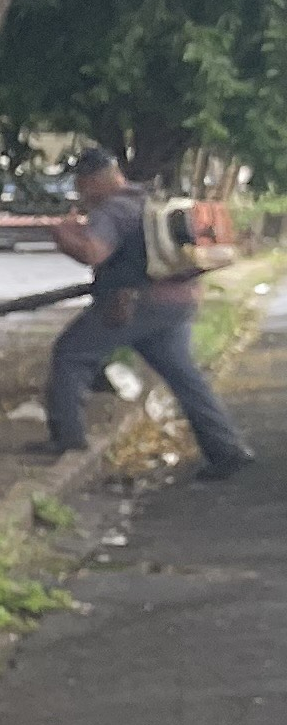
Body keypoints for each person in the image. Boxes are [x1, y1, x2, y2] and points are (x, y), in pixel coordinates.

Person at [45, 143, 251, 482]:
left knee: (70, 353)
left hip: (133, 303)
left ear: (95, 180)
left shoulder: (111, 210)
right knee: (185, 377)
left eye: (81, 182)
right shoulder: (148, 199)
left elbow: (93, 252)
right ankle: (227, 450)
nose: (78, 190)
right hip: (178, 301)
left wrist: (62, 235)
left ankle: (68, 439)